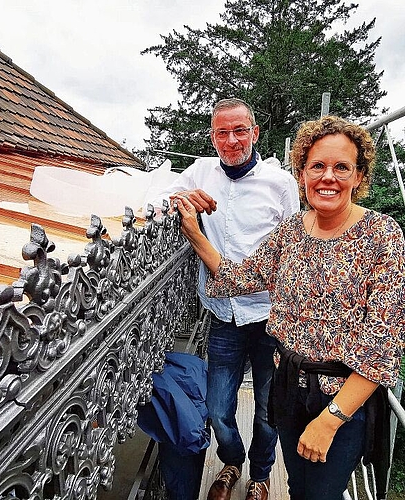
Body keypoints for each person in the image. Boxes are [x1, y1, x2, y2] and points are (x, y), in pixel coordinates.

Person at [174, 114, 405, 500]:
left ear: (359, 177)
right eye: (317, 166)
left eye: (341, 167)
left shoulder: (382, 236)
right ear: (302, 175)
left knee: (319, 493)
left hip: (337, 397)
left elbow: (382, 348)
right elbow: (241, 278)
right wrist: (196, 234)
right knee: (298, 487)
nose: (327, 176)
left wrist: (330, 421)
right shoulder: (292, 230)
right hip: (288, 388)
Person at [153, 98, 300, 500]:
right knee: (218, 408)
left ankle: (261, 475)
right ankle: (232, 462)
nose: (232, 140)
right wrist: (182, 200)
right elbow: (155, 199)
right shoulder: (199, 171)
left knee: (268, 412)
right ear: (212, 136)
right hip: (222, 313)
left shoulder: (280, 183)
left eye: (240, 130)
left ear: (254, 132)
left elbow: (294, 244)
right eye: (222, 132)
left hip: (269, 315)